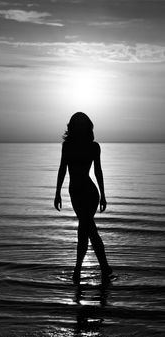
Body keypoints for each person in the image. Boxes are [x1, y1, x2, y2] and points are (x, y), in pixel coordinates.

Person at [54, 112, 112, 284]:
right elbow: (62, 168)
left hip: (89, 193)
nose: (80, 126)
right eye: (77, 123)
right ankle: (101, 269)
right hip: (75, 193)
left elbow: (98, 171)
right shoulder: (67, 146)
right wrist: (57, 192)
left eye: (82, 123)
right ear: (72, 126)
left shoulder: (94, 147)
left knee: (86, 230)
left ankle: (80, 270)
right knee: (87, 230)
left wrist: (103, 195)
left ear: (87, 126)